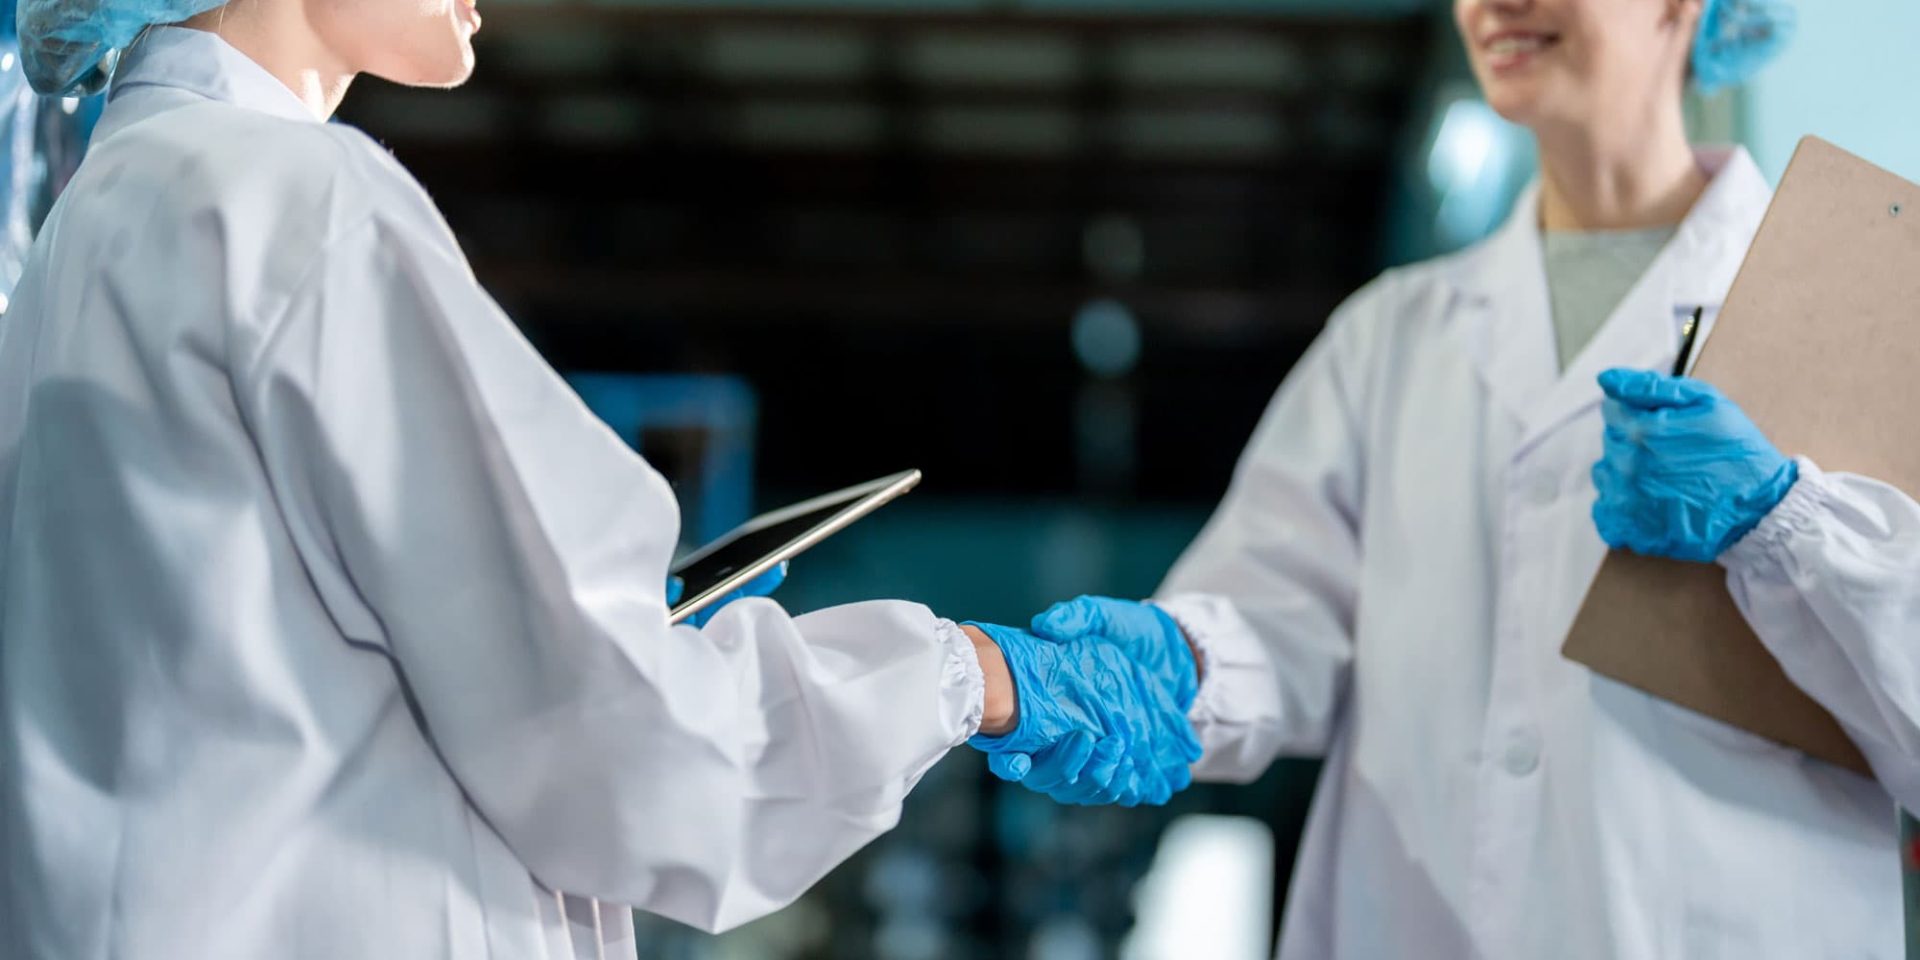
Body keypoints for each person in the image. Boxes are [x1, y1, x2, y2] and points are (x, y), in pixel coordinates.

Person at [0, 5, 1198, 960]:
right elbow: (613, 742)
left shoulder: (80, 240)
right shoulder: (304, 209)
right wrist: (974, 676)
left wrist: (605, 611)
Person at [1021, 0, 1920, 957]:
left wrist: (1788, 527)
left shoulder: (1872, 305)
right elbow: (1278, 623)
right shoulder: (1392, 335)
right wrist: (1180, 661)